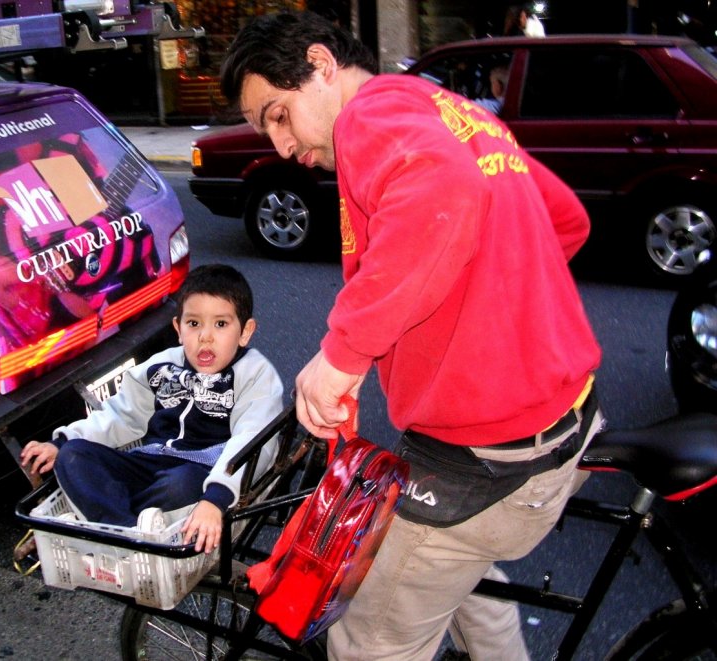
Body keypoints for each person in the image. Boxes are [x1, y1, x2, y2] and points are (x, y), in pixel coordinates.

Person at [221, 10, 602, 660]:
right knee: (461, 575)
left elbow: (443, 190)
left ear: (320, 64)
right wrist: (476, 310)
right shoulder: (448, 108)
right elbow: (564, 219)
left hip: (488, 456)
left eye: (277, 114)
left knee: (368, 641)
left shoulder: (366, 118)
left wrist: (342, 355)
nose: (280, 146)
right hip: (565, 421)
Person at [20, 264, 283, 554]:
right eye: (193, 324)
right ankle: (127, 534)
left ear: (245, 332)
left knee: (179, 484)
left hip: (205, 472)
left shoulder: (254, 374)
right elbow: (122, 414)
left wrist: (217, 496)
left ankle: (103, 524)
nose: (205, 337)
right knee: (74, 457)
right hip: (150, 462)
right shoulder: (162, 365)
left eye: (221, 324)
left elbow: (254, 438)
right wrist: (63, 441)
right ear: (178, 329)